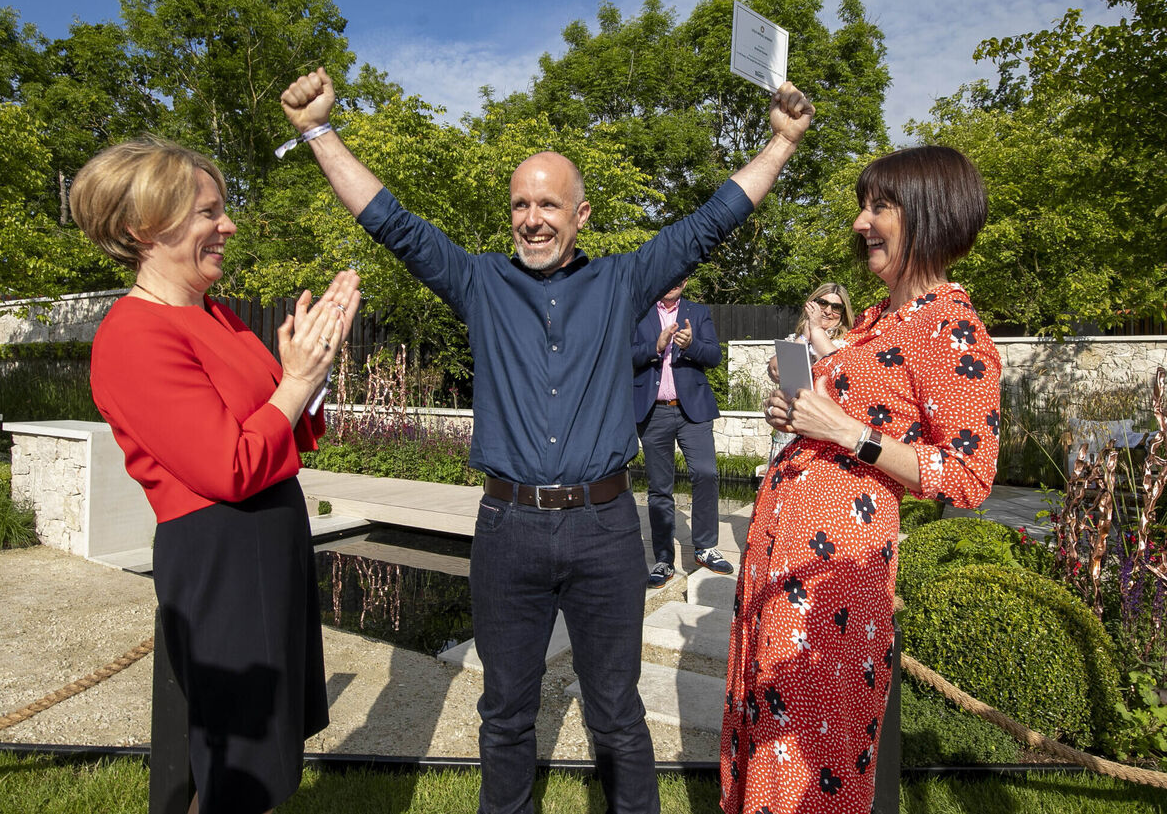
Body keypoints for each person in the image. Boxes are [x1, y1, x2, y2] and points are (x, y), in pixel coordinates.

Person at [279, 66, 813, 814]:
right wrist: (317, 130)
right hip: (508, 530)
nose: (532, 217)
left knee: (618, 717)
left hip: (603, 533)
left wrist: (781, 143)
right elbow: (390, 220)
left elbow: (710, 222)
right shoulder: (478, 282)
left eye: (548, 203)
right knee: (504, 718)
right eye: (520, 204)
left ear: (581, 213)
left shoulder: (624, 282)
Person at [71, 135, 361, 814]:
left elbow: (289, 425)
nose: (227, 224)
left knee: (252, 752)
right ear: (146, 228)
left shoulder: (217, 316)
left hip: (265, 544)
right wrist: (295, 382)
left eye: (221, 209)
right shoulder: (134, 335)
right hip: (222, 557)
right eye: (207, 212)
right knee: (238, 767)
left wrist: (308, 373)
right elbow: (230, 466)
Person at [722, 146, 1001, 814]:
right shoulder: (879, 317)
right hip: (783, 550)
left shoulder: (952, 328)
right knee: (769, 714)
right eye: (862, 205)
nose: (859, 222)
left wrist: (850, 433)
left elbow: (969, 475)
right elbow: (841, 412)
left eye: (879, 207)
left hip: (836, 571)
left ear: (929, 215)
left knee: (814, 737)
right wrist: (798, 406)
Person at [632, 277, 733, 588]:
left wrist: (691, 346)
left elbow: (715, 356)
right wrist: (655, 347)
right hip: (653, 411)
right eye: (668, 276)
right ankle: (663, 559)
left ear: (686, 280)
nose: (672, 282)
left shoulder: (698, 312)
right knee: (660, 488)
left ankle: (704, 547)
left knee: (705, 473)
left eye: (679, 277)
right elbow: (623, 355)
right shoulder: (638, 311)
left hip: (693, 411)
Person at [764, 283, 855, 463]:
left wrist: (816, 330)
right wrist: (804, 338)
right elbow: (776, 370)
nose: (828, 311)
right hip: (790, 425)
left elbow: (834, 364)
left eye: (836, 307)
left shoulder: (850, 342)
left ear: (843, 314)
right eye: (822, 303)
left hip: (825, 430)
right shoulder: (797, 338)